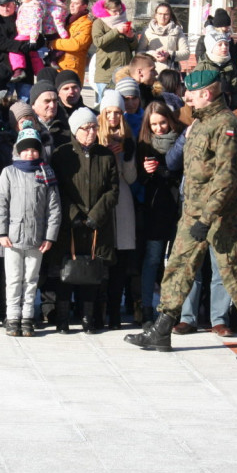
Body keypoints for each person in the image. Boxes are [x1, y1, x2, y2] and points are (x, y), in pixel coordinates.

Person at [125, 69, 237, 360]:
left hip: (220, 217)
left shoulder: (226, 124)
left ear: (205, 94)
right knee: (178, 266)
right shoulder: (199, 123)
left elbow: (227, 177)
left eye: (190, 93)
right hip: (192, 212)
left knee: (233, 274)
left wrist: (207, 217)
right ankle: (162, 328)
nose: (186, 97)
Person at [49, 107, 119, 333]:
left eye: (94, 127)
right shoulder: (62, 154)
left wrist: (95, 216)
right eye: (86, 128)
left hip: (97, 225)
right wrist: (74, 215)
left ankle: (89, 319)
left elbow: (112, 190)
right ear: (75, 130)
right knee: (66, 272)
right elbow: (57, 188)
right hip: (70, 226)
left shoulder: (105, 155)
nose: (91, 132)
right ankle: (62, 320)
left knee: (91, 270)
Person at [0, 120, 61, 337]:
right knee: (13, 278)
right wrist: (0, 232)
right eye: (26, 149)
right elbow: (0, 203)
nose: (30, 154)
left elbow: (54, 208)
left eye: (34, 149)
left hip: (36, 237)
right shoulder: (9, 173)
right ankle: (12, 317)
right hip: (12, 238)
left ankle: (27, 316)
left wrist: (49, 236)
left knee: (31, 279)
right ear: (18, 151)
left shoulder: (46, 172)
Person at [135, 101, 183, 327]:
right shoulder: (145, 144)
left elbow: (182, 173)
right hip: (155, 210)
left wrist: (164, 171)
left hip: (179, 208)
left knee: (176, 262)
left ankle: (171, 310)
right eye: (154, 124)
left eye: (163, 122)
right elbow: (139, 180)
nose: (159, 128)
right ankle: (146, 308)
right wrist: (146, 173)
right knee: (153, 259)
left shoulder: (182, 140)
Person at [97, 90, 138, 331]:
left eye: (117, 112)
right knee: (103, 258)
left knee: (121, 259)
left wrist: (128, 155)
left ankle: (115, 310)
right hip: (103, 200)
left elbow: (130, 178)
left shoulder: (127, 138)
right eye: (109, 112)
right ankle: (100, 311)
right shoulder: (96, 137)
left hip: (122, 201)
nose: (113, 117)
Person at [91, 0, 136, 97]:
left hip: (124, 71)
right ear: (106, 10)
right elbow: (98, 42)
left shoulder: (125, 21)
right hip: (106, 72)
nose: (118, 14)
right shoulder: (99, 22)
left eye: (120, 10)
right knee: (106, 104)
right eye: (114, 11)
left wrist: (131, 38)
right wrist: (116, 31)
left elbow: (134, 47)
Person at [193, 29, 237, 109]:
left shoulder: (230, 66)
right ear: (211, 47)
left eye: (226, 44)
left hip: (227, 109)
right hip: (207, 110)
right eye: (220, 45)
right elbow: (194, 92)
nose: (224, 47)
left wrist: (233, 107)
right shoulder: (202, 67)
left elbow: (235, 89)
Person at [48, 0, 93, 78]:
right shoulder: (66, 19)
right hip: (59, 65)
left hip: (72, 67)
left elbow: (76, 44)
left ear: (85, 6)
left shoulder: (87, 23)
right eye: (71, 2)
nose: (72, 5)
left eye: (76, 3)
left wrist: (52, 43)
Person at [138, 3, 189, 72]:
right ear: (155, 15)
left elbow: (186, 53)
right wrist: (153, 54)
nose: (162, 17)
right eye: (160, 14)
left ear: (170, 16)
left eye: (166, 14)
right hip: (151, 72)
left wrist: (169, 54)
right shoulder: (147, 31)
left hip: (171, 73)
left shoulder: (177, 30)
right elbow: (139, 53)